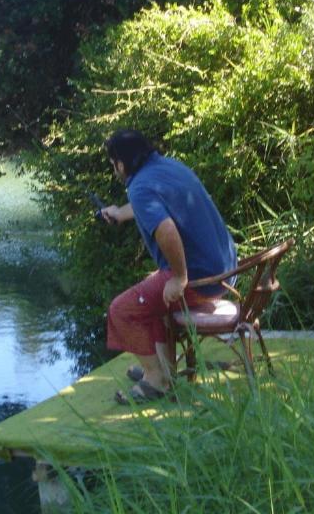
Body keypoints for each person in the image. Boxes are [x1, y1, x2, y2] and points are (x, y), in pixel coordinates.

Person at [100, 129, 237, 403]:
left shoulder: (138, 186)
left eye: (113, 163)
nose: (114, 169)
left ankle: (157, 379)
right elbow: (151, 204)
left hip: (202, 280)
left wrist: (180, 277)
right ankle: (165, 368)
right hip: (225, 271)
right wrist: (118, 213)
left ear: (121, 164)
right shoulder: (170, 167)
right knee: (152, 296)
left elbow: (166, 229)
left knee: (122, 310)